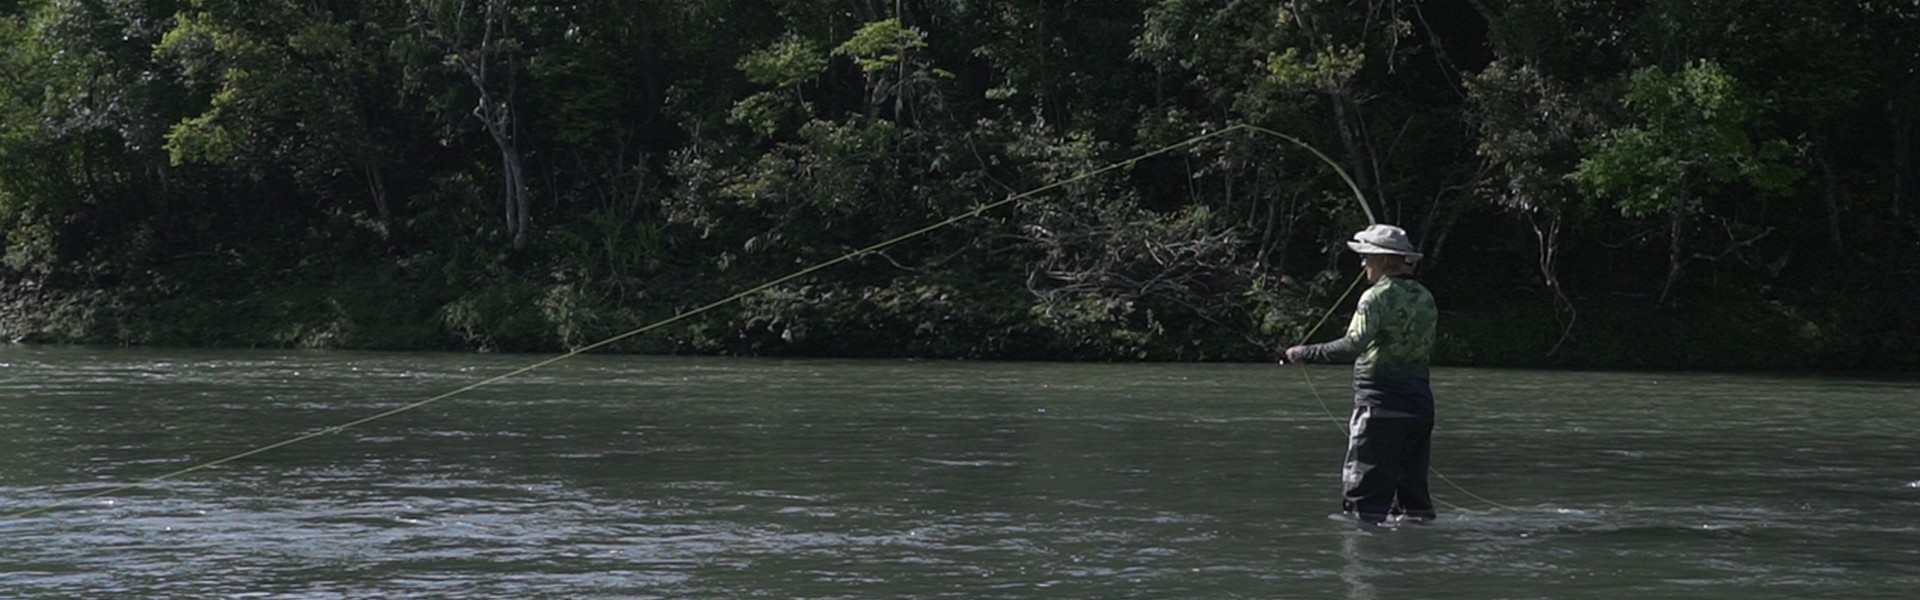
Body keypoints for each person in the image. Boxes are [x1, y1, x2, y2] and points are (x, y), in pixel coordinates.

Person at [1285, 224, 1439, 525]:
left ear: (1382, 260)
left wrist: (1305, 353)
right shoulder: (1425, 296)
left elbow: (1352, 345)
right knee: (1414, 501)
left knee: (1364, 500)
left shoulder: (1375, 297)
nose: (1363, 264)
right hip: (1420, 405)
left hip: (1380, 405)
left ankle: (1363, 560)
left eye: (1367, 256)